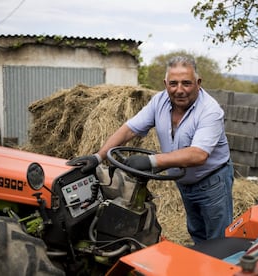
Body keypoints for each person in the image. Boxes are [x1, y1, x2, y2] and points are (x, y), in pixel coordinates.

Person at [67, 55, 234, 244]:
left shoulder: (210, 110)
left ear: (198, 83)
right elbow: (129, 129)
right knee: (197, 232)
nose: (179, 90)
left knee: (218, 241)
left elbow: (198, 154)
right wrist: (99, 156)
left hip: (212, 182)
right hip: (185, 182)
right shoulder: (159, 102)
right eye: (173, 84)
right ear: (165, 83)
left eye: (186, 83)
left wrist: (151, 161)